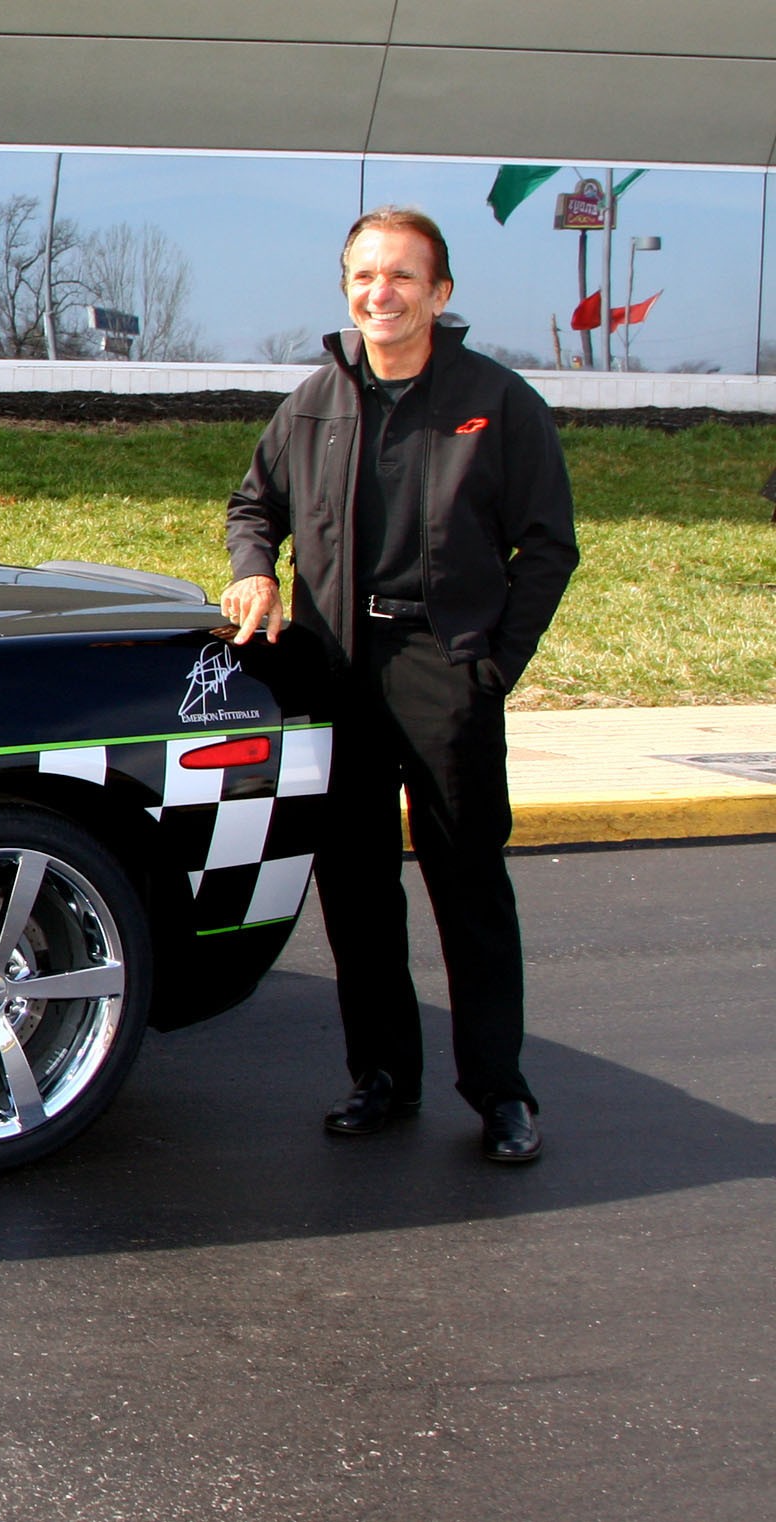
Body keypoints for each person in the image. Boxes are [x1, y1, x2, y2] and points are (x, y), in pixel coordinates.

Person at [221, 206, 578, 1164]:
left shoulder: (496, 403)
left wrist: (492, 665)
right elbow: (254, 504)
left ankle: (500, 1093)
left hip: (446, 670)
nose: (382, 293)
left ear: (441, 292)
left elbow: (548, 547)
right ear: (348, 289)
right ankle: (382, 1076)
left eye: (403, 277)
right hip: (339, 673)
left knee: (469, 885)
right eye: (365, 277)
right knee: (358, 887)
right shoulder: (315, 400)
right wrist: (256, 566)